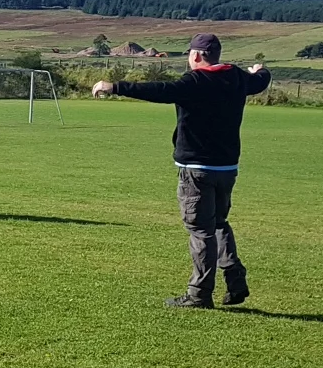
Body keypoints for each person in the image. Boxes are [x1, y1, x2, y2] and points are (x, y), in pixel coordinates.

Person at [92, 32, 270, 309]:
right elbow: (260, 81)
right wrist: (261, 70)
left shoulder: (194, 82)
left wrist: (115, 87)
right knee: (218, 223)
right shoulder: (237, 77)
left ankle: (199, 294)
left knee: (200, 230)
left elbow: (160, 90)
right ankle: (234, 277)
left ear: (195, 55)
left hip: (196, 169)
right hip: (227, 167)